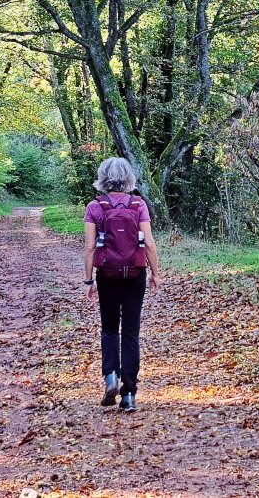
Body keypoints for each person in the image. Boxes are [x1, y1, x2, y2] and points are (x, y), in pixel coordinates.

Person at [83, 157, 161, 412]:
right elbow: (149, 242)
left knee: (108, 329)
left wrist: (89, 279)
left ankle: (110, 378)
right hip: (134, 274)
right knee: (130, 332)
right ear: (129, 177)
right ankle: (129, 395)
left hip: (107, 274)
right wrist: (155, 273)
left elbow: (89, 246)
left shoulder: (95, 207)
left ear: (103, 177)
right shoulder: (138, 205)